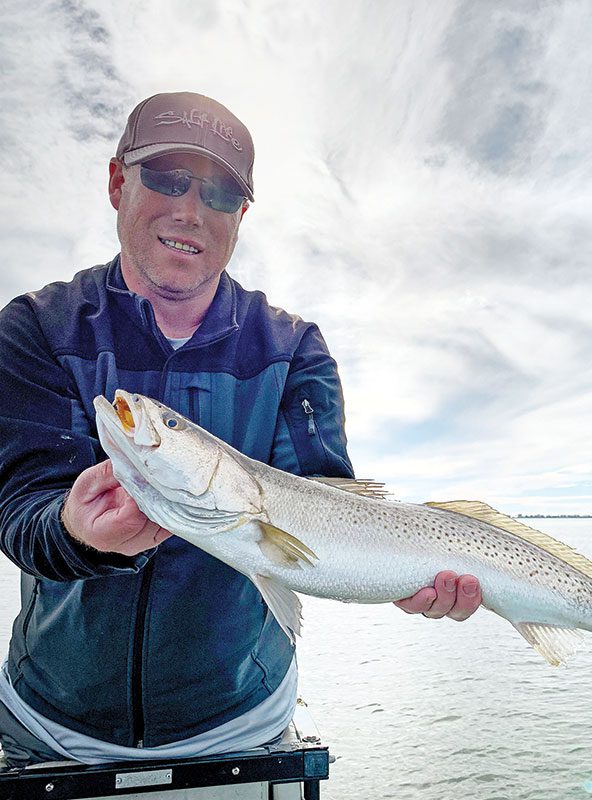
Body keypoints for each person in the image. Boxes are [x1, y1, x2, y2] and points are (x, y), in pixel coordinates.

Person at [0, 92, 481, 768]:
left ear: (242, 214)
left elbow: (326, 499)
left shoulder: (293, 348)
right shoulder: (34, 329)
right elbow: (19, 510)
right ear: (117, 182)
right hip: (53, 727)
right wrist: (75, 531)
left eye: (221, 193)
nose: (190, 209)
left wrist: (401, 573)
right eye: (167, 178)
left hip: (243, 725)